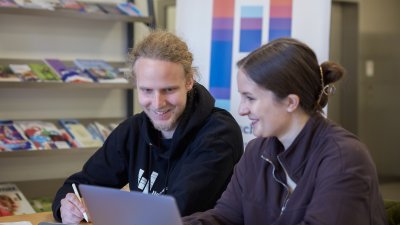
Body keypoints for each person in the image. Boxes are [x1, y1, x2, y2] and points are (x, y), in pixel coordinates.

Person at [182, 38, 387, 225]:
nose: (241, 110)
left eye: (250, 98)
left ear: (290, 102)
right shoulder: (256, 152)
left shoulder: (344, 158)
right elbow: (225, 217)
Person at [52, 30, 244, 224]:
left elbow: (175, 214)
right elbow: (78, 185)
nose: (158, 103)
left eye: (168, 89)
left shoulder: (219, 133)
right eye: (146, 90)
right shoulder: (133, 130)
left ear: (189, 81)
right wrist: (66, 208)